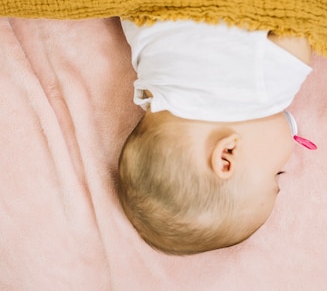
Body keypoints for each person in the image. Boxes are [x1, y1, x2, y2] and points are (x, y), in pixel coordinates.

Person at [117, 19, 316, 255]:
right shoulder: (150, 74)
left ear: (227, 155)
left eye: (275, 173)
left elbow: (300, 23)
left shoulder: (267, 87)